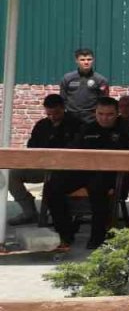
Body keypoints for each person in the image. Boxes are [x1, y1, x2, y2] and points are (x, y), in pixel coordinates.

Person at [46, 97, 129, 250]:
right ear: (95, 113)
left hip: (112, 174)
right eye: (100, 114)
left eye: (109, 114)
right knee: (52, 186)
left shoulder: (127, 129)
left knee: (97, 188)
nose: (104, 118)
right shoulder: (88, 128)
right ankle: (65, 233)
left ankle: (97, 237)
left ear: (117, 113)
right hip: (84, 171)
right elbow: (72, 149)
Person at [7, 94, 81, 225]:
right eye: (49, 114)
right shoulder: (42, 125)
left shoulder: (76, 124)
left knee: (55, 184)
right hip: (42, 165)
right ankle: (29, 211)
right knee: (12, 174)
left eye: (56, 113)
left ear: (63, 108)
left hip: (67, 168)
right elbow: (31, 147)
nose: (52, 117)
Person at [60, 48, 109, 124]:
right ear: (76, 61)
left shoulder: (101, 80)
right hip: (71, 117)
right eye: (82, 60)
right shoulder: (67, 78)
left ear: (93, 60)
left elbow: (104, 101)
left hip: (92, 119)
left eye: (89, 59)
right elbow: (63, 99)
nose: (86, 62)